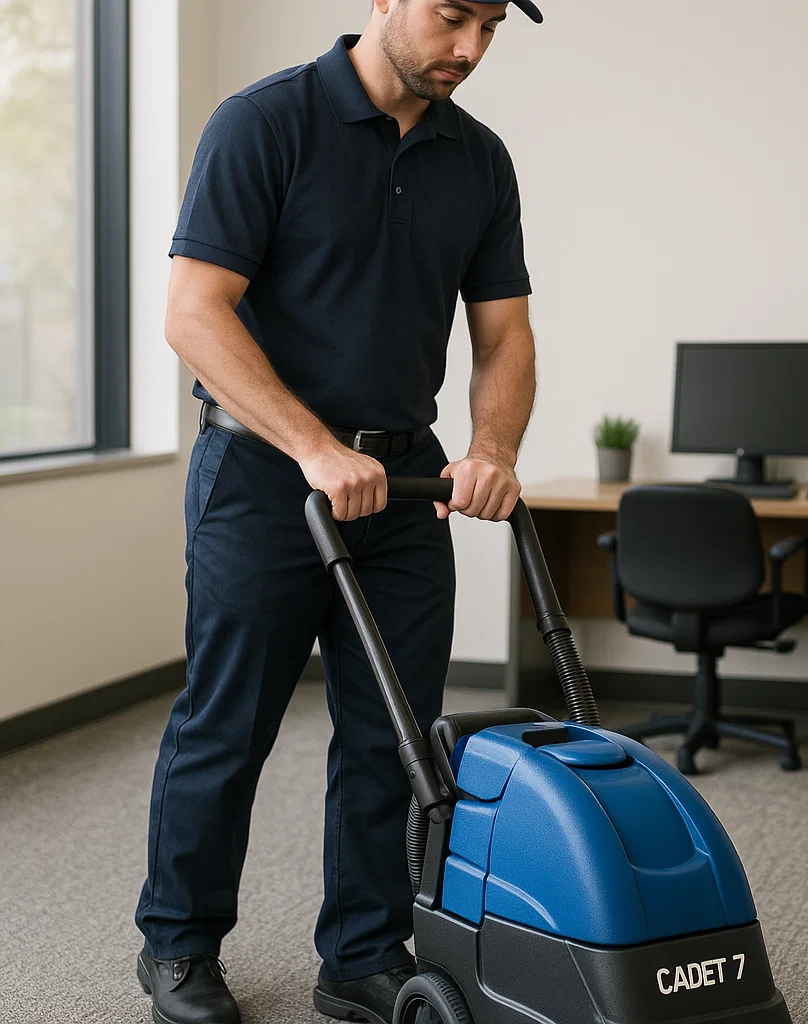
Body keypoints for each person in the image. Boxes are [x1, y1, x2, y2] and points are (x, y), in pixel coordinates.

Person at [134, 1, 543, 1021]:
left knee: (391, 733)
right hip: (263, 477)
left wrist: (492, 450)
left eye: (491, 28)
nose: (469, 50)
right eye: (454, 18)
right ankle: (178, 945)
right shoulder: (263, 122)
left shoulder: (479, 160)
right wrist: (312, 446)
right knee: (227, 722)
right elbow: (194, 309)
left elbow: (503, 335)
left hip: (407, 487)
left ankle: (360, 949)